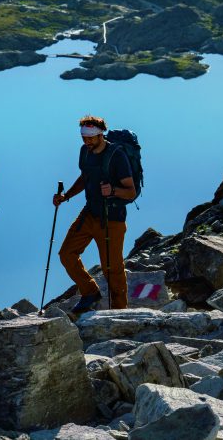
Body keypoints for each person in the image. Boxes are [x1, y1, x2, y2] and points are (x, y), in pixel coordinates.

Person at [53, 115, 137, 314]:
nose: (87, 141)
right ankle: (90, 291)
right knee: (66, 254)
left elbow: (131, 192)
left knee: (112, 269)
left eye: (90, 137)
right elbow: (85, 177)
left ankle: (119, 313)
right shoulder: (85, 152)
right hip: (90, 213)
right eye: (84, 137)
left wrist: (113, 191)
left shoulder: (117, 156)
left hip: (112, 218)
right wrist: (66, 196)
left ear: (101, 134)